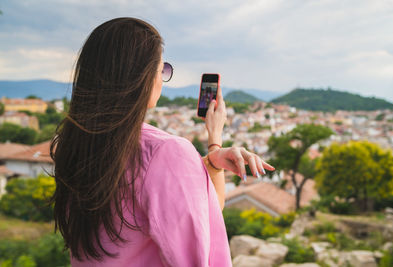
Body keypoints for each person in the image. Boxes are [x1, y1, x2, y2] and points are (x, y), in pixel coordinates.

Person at [50, 17, 275, 266]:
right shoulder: (166, 152)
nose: (162, 79)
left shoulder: (73, 144)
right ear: (143, 77)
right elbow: (197, 246)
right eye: (162, 69)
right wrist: (214, 138)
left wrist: (211, 158)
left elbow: (192, 209)